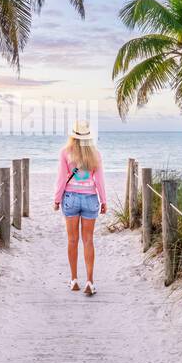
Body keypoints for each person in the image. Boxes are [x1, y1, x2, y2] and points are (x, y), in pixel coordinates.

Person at [53, 120, 107, 295]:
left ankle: (74, 279)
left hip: (70, 198)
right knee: (88, 240)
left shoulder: (65, 152)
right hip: (91, 198)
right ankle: (90, 281)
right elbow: (99, 180)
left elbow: (62, 178)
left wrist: (56, 199)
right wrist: (104, 200)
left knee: (72, 240)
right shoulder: (95, 154)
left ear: (73, 135)